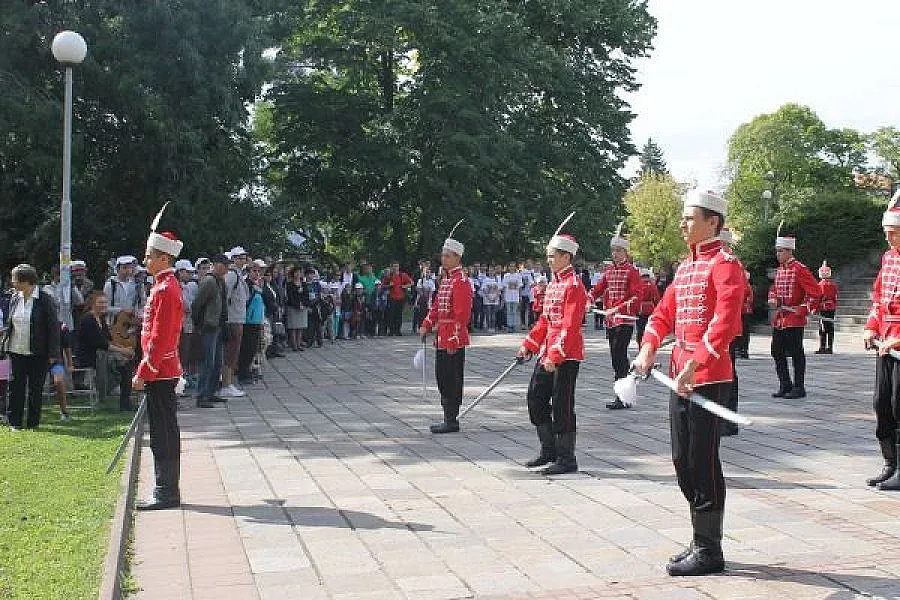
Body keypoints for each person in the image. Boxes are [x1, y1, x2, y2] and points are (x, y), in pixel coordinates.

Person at [632, 189, 744, 576]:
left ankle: (710, 549)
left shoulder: (726, 265)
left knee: (703, 460)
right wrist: (649, 347)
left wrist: (696, 364)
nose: (683, 224)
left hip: (708, 375)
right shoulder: (685, 267)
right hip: (678, 374)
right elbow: (664, 313)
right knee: (682, 460)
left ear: (713, 222)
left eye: (690, 218)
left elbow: (725, 323)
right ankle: (700, 539)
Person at [518, 218, 588, 475]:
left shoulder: (574, 286)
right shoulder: (554, 283)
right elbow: (545, 321)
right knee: (535, 398)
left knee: (562, 406)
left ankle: (567, 458)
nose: (548, 260)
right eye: (548, 255)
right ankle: (548, 450)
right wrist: (529, 344)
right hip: (547, 351)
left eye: (552, 255)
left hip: (566, 355)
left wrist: (556, 355)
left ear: (566, 257)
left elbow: (570, 326)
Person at [134, 220, 185, 511]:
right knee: (163, 430)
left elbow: (160, 337)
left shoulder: (165, 289)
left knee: (163, 433)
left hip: (161, 371)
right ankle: (166, 488)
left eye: (150, 256)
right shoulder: (163, 286)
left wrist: (145, 371)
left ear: (164, 258)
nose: (146, 261)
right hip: (162, 370)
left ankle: (166, 492)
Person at [863, 193, 900, 490]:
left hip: (897, 343)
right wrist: (870, 328)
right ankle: (890, 463)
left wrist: (898, 340)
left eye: (894, 232)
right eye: (887, 232)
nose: (889, 238)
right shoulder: (888, 258)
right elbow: (878, 298)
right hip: (884, 343)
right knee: (882, 403)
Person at [419, 232, 473, 434]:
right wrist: (427, 323)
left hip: (453, 336)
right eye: (442, 255)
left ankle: (451, 419)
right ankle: (447, 416)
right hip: (442, 335)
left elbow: (462, 314)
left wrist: (454, 339)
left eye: (447, 256)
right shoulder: (446, 279)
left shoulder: (461, 281)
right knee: (442, 376)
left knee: (452, 378)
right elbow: (436, 306)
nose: (443, 259)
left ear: (457, 258)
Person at [588, 224, 642, 410]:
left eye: (619, 250)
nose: (615, 254)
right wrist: (588, 299)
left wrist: (618, 308)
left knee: (619, 356)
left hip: (625, 320)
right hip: (611, 320)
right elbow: (598, 289)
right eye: (613, 251)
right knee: (615, 357)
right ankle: (623, 393)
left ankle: (623, 396)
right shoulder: (609, 270)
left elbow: (637, 296)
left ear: (625, 252)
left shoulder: (632, 271)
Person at [3, 264, 61, 430]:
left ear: (25, 281)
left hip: (38, 352)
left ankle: (33, 423)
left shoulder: (45, 299)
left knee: (35, 388)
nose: (12, 282)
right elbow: (10, 323)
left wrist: (53, 354)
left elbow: (53, 328)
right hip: (15, 350)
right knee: (15, 387)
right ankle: (14, 422)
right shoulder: (14, 298)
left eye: (15, 279)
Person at [768, 227, 821, 399]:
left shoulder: (800, 269)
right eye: (777, 251)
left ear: (789, 251)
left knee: (796, 353)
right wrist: (774, 299)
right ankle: (785, 384)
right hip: (780, 318)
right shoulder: (780, 270)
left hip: (794, 319)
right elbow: (774, 289)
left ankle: (799, 387)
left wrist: (804, 308)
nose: (778, 254)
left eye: (781, 251)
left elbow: (815, 292)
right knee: (776, 351)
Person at [75, 291, 134, 411]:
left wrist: (124, 348)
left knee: (128, 360)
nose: (104, 305)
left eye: (105, 302)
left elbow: (109, 339)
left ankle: (125, 401)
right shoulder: (88, 319)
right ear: (93, 303)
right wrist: (122, 351)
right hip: (90, 356)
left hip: (102, 352)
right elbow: (102, 344)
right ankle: (123, 402)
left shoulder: (101, 318)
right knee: (125, 364)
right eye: (100, 302)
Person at [192, 254, 228, 408]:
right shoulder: (209, 281)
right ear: (216, 265)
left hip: (218, 324)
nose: (225, 269)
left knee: (217, 362)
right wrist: (199, 323)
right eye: (223, 265)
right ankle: (202, 395)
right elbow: (197, 304)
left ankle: (211, 392)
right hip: (208, 326)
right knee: (207, 361)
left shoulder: (221, 281)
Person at [222, 246, 249, 397]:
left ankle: (230, 381)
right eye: (239, 257)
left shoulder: (238, 273)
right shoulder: (232, 274)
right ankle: (226, 383)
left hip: (238, 316)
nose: (242, 260)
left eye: (244, 257)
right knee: (230, 351)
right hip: (233, 318)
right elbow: (225, 295)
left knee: (234, 351)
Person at [237, 260, 266, 384]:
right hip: (248, 321)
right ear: (248, 272)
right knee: (247, 348)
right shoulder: (247, 285)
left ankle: (248, 370)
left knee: (253, 348)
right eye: (254, 271)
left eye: (259, 271)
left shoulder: (258, 285)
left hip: (257, 321)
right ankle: (243, 374)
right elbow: (245, 302)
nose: (257, 273)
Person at [383, 263, 412, 336]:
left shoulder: (403, 275)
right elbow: (383, 285)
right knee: (391, 314)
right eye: (394, 266)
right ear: (392, 267)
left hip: (401, 297)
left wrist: (405, 286)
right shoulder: (389, 276)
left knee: (399, 314)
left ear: (399, 267)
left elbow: (411, 283)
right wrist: (389, 285)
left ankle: (398, 330)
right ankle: (391, 330)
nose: (395, 268)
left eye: (397, 266)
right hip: (392, 297)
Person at [816, 260, 838, 354]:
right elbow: (835, 297)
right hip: (831, 307)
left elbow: (818, 297)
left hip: (823, 307)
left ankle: (822, 347)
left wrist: (815, 308)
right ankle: (830, 347)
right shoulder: (833, 285)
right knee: (830, 327)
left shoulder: (820, 285)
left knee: (823, 328)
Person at [635, 268, 660, 345]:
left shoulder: (638, 286)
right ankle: (647, 342)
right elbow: (656, 298)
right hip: (650, 309)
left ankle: (640, 343)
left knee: (640, 328)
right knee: (648, 327)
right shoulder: (652, 286)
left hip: (640, 309)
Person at [736, 270, 753, 359]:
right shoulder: (739, 285)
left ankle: (743, 350)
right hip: (738, 311)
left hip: (744, 311)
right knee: (738, 331)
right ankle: (739, 349)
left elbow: (749, 299)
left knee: (744, 332)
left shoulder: (747, 286)